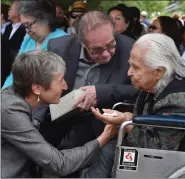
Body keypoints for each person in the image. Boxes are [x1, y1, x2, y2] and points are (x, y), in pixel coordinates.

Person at [81, 33, 185, 177]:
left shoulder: (180, 99)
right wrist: (126, 116)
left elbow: (158, 151)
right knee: (107, 150)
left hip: (168, 164)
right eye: (130, 64)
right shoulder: (159, 80)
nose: (129, 72)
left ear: (158, 72)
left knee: (110, 152)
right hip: (153, 153)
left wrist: (127, 123)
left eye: (135, 67)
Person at [1, 50, 118, 178]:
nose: (65, 86)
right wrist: (105, 137)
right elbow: (59, 164)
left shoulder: (13, 97)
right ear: (37, 88)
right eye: (60, 80)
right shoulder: (9, 110)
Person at [43, 11, 138, 151]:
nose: (106, 54)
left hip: (103, 129)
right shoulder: (59, 47)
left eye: (111, 45)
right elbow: (41, 87)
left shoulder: (130, 48)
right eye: (97, 50)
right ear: (81, 42)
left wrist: (102, 92)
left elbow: (141, 89)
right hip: (58, 121)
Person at [2, 0, 67, 89]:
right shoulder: (28, 40)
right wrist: (4, 92)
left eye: (28, 25)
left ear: (45, 18)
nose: (27, 31)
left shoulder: (62, 40)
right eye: (24, 26)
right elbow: (15, 72)